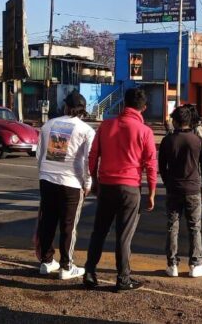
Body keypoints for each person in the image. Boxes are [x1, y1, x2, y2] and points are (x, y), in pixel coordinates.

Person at [85, 88, 157, 292]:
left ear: (124, 104)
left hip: (107, 185)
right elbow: (151, 164)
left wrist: (95, 179)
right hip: (130, 188)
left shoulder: (106, 125)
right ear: (143, 108)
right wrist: (152, 192)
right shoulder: (145, 132)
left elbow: (93, 155)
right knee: (123, 235)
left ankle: (90, 272)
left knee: (99, 231)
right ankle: (123, 278)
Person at [35, 92, 95, 280]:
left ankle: (46, 261)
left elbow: (40, 154)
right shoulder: (86, 130)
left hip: (47, 179)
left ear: (66, 107)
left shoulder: (48, 125)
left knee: (47, 222)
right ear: (83, 111)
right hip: (71, 183)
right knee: (69, 225)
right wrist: (88, 183)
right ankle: (66, 266)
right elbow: (88, 161)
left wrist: (43, 174)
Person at [158, 106, 202, 278]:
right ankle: (195, 264)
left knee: (172, 226)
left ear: (175, 121)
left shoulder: (168, 141)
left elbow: (162, 166)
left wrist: (168, 182)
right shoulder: (197, 140)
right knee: (195, 227)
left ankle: (172, 264)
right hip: (193, 188)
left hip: (174, 188)